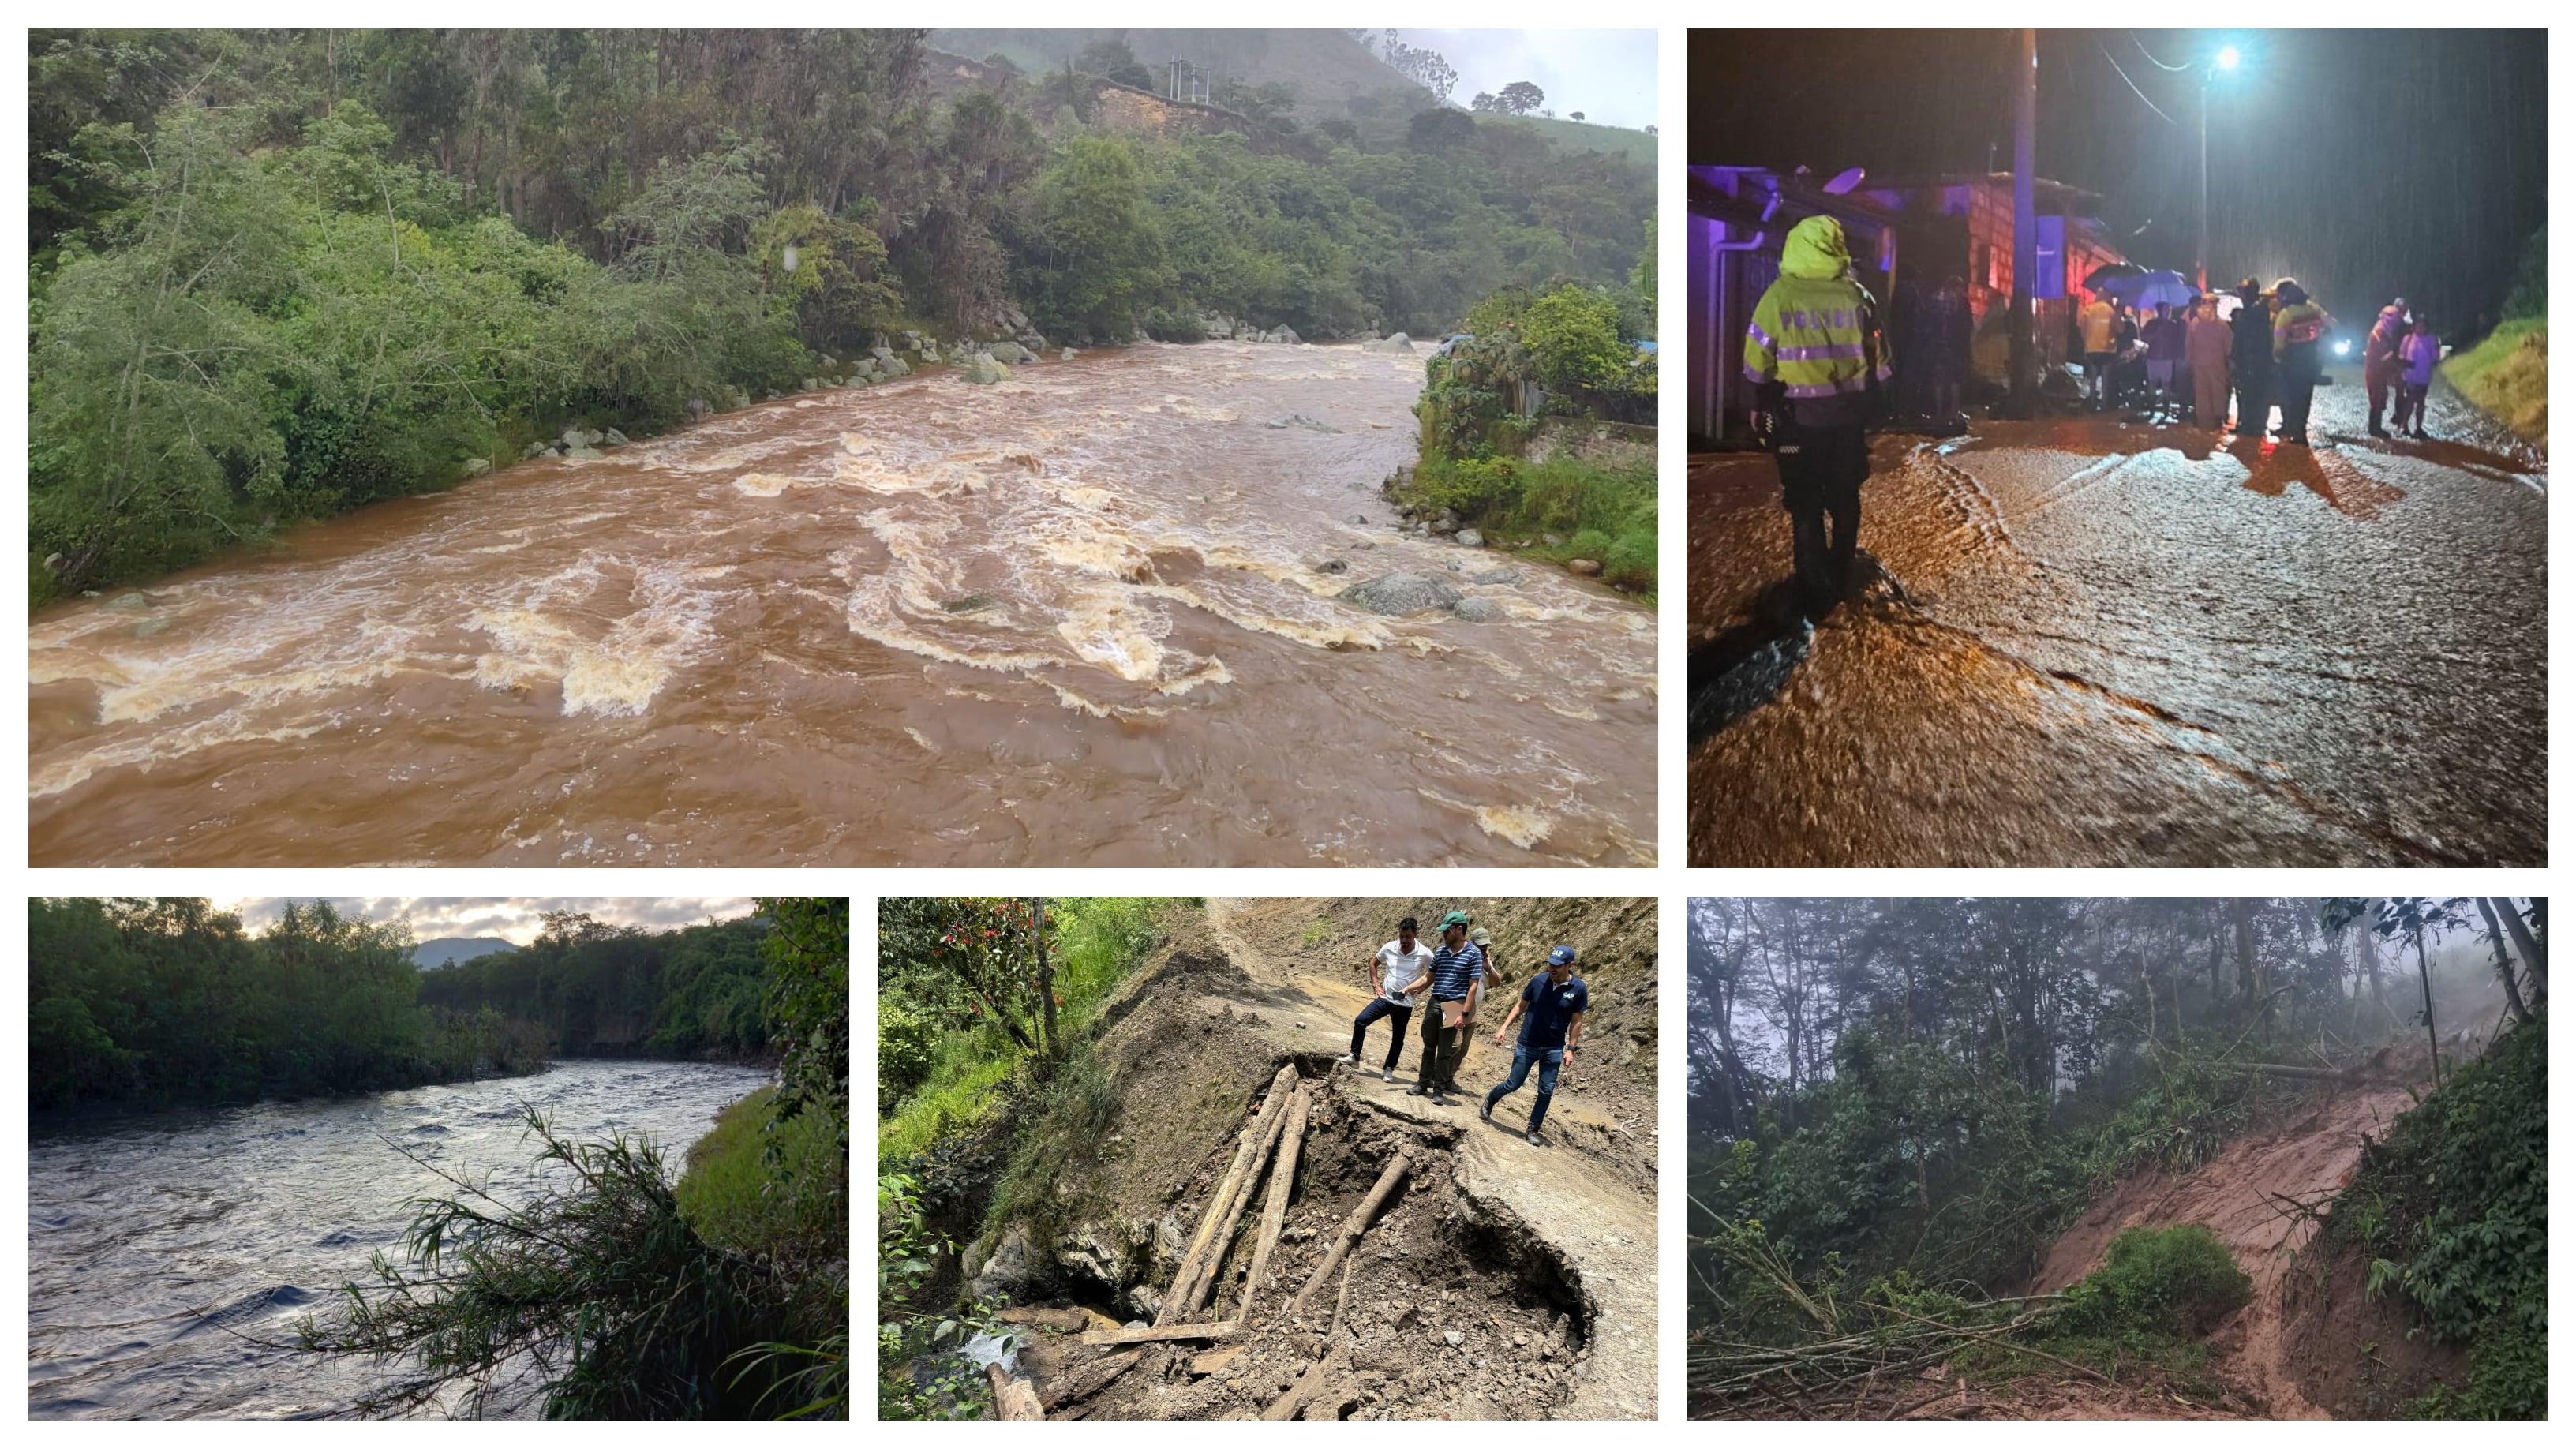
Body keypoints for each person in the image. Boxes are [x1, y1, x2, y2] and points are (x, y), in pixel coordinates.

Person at [1742, 214, 1892, 614]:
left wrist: (1760, 405)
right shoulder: (1859, 296)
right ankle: (1841, 574)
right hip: (1848, 418)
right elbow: (1883, 367)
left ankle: (1812, 586)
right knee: (1845, 496)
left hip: (1798, 419)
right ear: (1837, 247)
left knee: (1805, 501)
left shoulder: (1779, 296)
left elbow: (1756, 365)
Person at [1481, 945, 1589, 1148]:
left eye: (1557, 966)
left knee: (1546, 1091)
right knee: (1514, 1083)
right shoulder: (1538, 981)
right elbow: (1520, 1006)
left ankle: (1533, 1128)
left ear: (1569, 966)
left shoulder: (1578, 989)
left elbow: (1577, 1021)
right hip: (1528, 1043)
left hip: (1554, 1048)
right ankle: (1491, 1098)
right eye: (1550, 965)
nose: (1552, 969)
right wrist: (1503, 1027)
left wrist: (1571, 1049)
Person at [1339, 916, 1433, 1082]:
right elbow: (1373, 963)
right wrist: (1376, 984)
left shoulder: (1424, 953)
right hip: (1386, 998)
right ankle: (1354, 1056)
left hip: (1405, 1002)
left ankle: (1389, 1068)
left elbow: (1434, 971)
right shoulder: (1390, 947)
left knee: (1398, 1038)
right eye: (1402, 936)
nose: (1404, 940)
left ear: (1416, 935)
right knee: (1361, 1020)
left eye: (1408, 937)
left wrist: (1422, 987)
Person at [1409, 911, 1484, 1106]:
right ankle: (1422, 1083)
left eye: (1447, 930)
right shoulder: (1441, 951)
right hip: (1435, 1002)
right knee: (1428, 1047)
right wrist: (1410, 988)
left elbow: (1473, 987)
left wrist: (1464, 1014)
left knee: (1444, 1052)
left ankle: (1439, 1090)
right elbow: (1428, 977)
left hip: (1453, 1006)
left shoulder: (1473, 954)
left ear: (1459, 929)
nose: (1444, 934)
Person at [2271, 279, 2334, 447]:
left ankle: (2296, 431)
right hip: (2311, 359)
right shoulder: (2313, 309)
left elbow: (2279, 340)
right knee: (2306, 397)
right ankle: (2301, 430)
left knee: (2293, 397)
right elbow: (2331, 323)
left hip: (2292, 360)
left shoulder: (2286, 314)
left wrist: (2278, 355)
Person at [1923, 275, 1971, 432]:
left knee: (1938, 378)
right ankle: (1954, 411)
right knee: (1955, 378)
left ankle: (1938, 411)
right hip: (1955, 344)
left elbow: (1928, 320)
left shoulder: (1934, 298)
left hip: (1936, 344)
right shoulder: (1961, 300)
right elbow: (1966, 325)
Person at [2230, 279, 2275, 438]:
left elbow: (2249, 339)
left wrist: (2240, 358)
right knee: (2248, 394)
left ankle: (2252, 425)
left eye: (2242, 292)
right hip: (2252, 361)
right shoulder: (2253, 311)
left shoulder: (2255, 312)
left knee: (2252, 394)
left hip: (2253, 362)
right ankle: (2248, 424)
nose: (2240, 295)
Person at [2363, 299, 2410, 438]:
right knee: (2378, 396)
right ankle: (2374, 429)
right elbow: (2387, 352)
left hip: (2378, 365)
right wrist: (2399, 359)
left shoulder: (2384, 325)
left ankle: (2379, 426)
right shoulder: (2385, 330)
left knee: (2380, 395)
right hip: (2378, 365)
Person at [2185, 296, 2233, 431]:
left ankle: (2205, 422)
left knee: (2204, 393)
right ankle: (2215, 420)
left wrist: (2189, 361)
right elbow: (2229, 348)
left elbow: (2189, 346)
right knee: (2215, 392)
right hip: (2215, 365)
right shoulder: (2222, 326)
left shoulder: (2195, 324)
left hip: (2202, 365)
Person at [2397, 314, 2440, 439]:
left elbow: (2435, 357)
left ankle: (2418, 428)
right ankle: (2403, 426)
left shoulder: (2431, 340)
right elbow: (2401, 355)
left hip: (2424, 377)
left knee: (2421, 402)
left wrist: (2436, 351)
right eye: (2418, 325)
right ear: (2414, 326)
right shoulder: (2408, 339)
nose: (2420, 328)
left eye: (2423, 325)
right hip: (2410, 376)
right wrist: (2403, 366)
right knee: (2409, 401)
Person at [2141, 302, 2185, 416]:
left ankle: (2165, 411)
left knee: (2165, 384)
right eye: (2166, 310)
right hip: (2155, 358)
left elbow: (2177, 341)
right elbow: (2144, 338)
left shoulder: (2172, 325)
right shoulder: (2152, 324)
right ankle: (2153, 410)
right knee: (2153, 384)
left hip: (2166, 358)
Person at [2079, 290, 2117, 406]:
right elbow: (2121, 329)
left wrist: (2086, 343)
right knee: (2105, 377)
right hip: (2107, 350)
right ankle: (2105, 404)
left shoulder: (2088, 310)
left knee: (2093, 377)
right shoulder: (2111, 311)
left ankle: (2092, 402)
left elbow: (2083, 330)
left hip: (2092, 349)